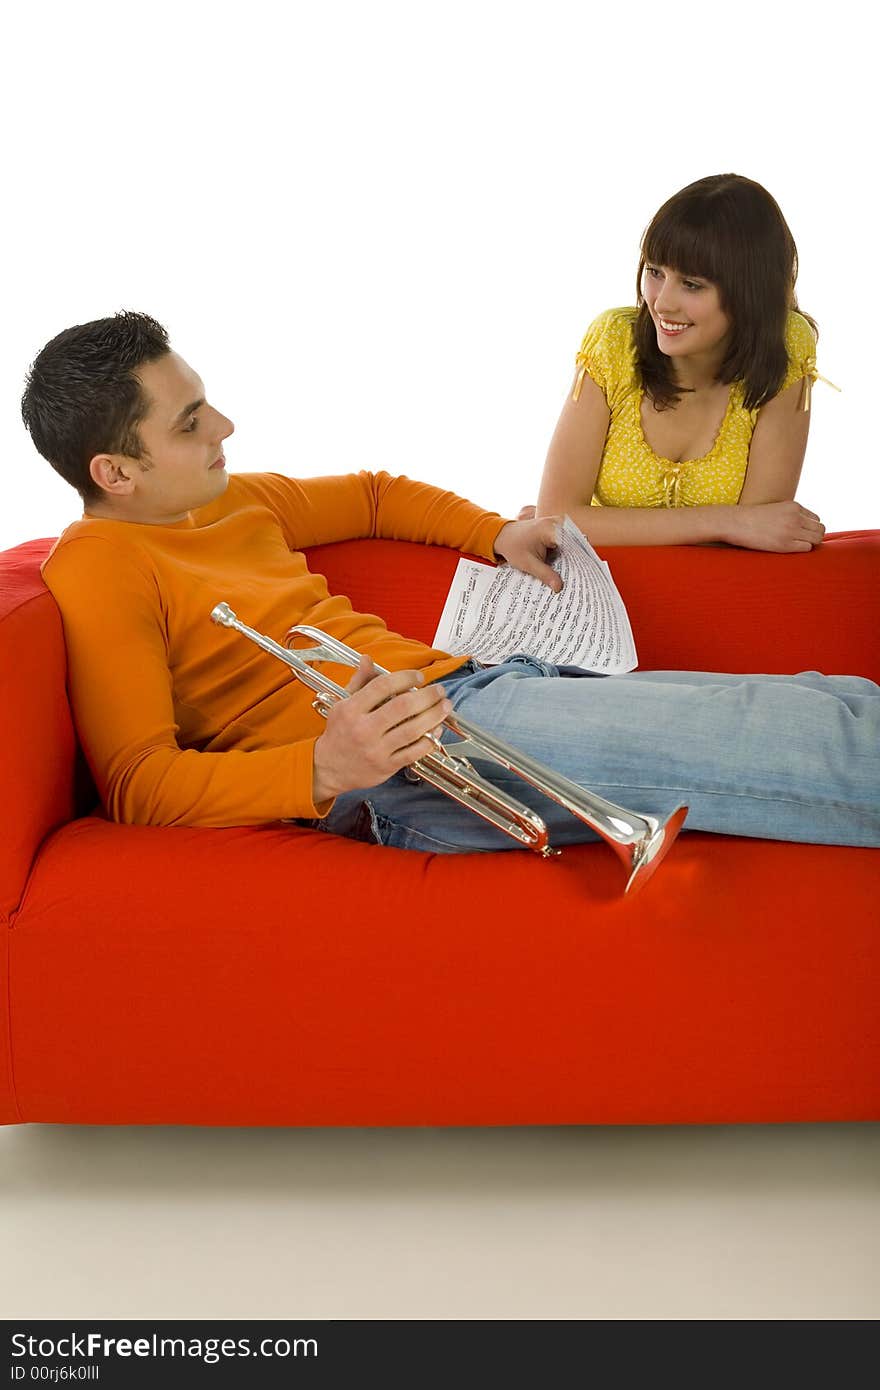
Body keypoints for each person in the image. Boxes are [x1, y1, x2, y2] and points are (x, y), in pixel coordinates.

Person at [20, 312, 879, 857]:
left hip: (468, 692)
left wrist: (494, 534)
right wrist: (319, 768)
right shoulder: (99, 565)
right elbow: (139, 782)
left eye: (204, 402)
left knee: (830, 701)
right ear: (116, 472)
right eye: (188, 422)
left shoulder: (231, 497)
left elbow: (373, 493)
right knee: (812, 746)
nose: (225, 426)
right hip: (415, 763)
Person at [523, 174, 839, 552]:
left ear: (750, 294)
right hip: (604, 592)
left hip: (716, 593)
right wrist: (728, 521)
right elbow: (555, 518)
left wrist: (594, 525)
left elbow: (759, 542)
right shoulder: (614, 342)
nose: (661, 303)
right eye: (655, 272)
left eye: (692, 284)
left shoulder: (786, 344)